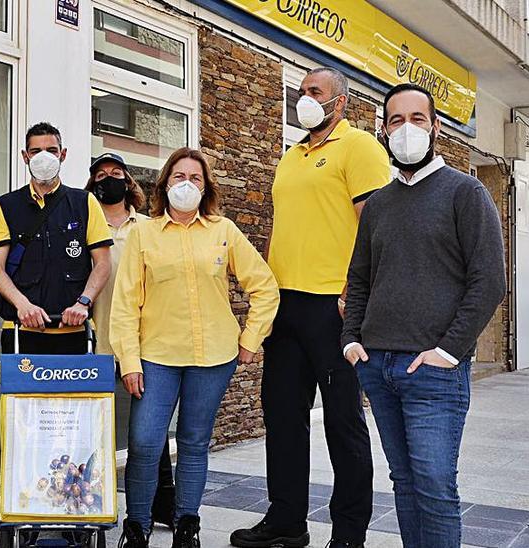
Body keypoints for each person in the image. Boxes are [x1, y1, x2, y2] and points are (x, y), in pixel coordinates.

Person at [343, 83, 506, 548]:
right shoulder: (378, 204)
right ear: (383, 130)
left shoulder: (465, 192)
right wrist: (352, 341)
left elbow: (489, 280)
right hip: (379, 366)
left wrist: (449, 350)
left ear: (435, 126)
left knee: (435, 488)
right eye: (396, 120)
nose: (407, 129)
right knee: (405, 483)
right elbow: (359, 278)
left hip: (434, 372)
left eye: (418, 119)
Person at [232, 67, 389, 548]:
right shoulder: (290, 156)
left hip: (334, 307)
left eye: (314, 91)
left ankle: (348, 532)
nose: (304, 99)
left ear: (339, 102)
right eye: (300, 92)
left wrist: (356, 297)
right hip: (285, 304)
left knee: (343, 421)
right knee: (281, 417)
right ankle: (286, 521)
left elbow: (377, 229)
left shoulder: (360, 147)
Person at [113, 148, 280, 548]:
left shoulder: (224, 230)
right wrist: (129, 361)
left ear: (206, 188)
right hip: (155, 358)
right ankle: (137, 526)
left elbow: (265, 286)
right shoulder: (143, 233)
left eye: (195, 178)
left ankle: (187, 525)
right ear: (164, 183)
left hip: (214, 357)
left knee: (193, 442)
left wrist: (250, 340)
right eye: (178, 177)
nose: (186, 185)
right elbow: (124, 303)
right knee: (145, 442)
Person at [85, 152, 180, 528]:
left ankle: (162, 505)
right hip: (97, 342)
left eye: (117, 173)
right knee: (95, 428)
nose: (109, 179)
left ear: (129, 182)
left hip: (144, 344)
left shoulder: (149, 226)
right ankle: (89, 503)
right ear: (92, 184)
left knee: (149, 433)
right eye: (101, 175)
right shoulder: (84, 227)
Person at [0, 122, 113, 355]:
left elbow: (103, 263)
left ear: (62, 155)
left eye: (52, 151)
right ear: (25, 157)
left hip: (74, 332)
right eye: (35, 151)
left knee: (74, 394)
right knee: (20, 394)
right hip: (20, 331)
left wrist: (83, 302)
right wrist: (22, 305)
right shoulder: (5, 206)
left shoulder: (84, 202)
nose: (44, 157)